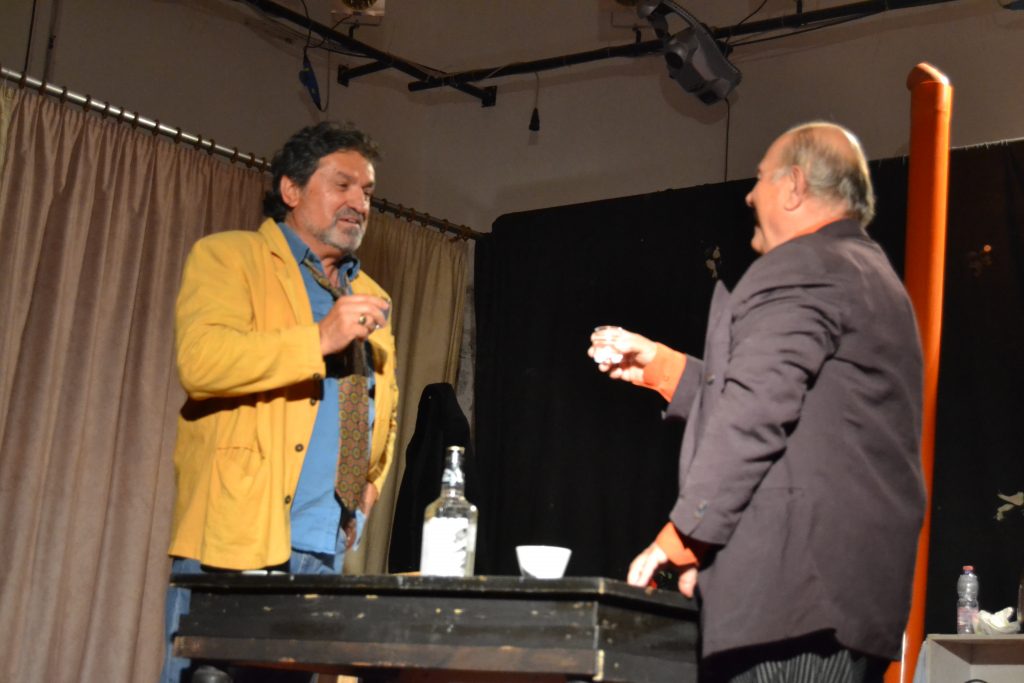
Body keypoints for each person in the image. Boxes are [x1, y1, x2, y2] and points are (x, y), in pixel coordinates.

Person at [590, 122, 925, 683]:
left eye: (761, 178)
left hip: (793, 601)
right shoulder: (865, 272)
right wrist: (666, 369)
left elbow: (754, 411)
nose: (749, 195)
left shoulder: (805, 266)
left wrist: (686, 535)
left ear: (794, 186)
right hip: (834, 601)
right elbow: (807, 410)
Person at [161, 121, 399, 682]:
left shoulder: (372, 295)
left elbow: (380, 411)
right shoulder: (231, 257)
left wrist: (364, 495)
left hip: (324, 546)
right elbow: (202, 362)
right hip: (238, 536)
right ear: (291, 190)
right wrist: (318, 338)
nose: (359, 203)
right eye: (342, 185)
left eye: (367, 192)